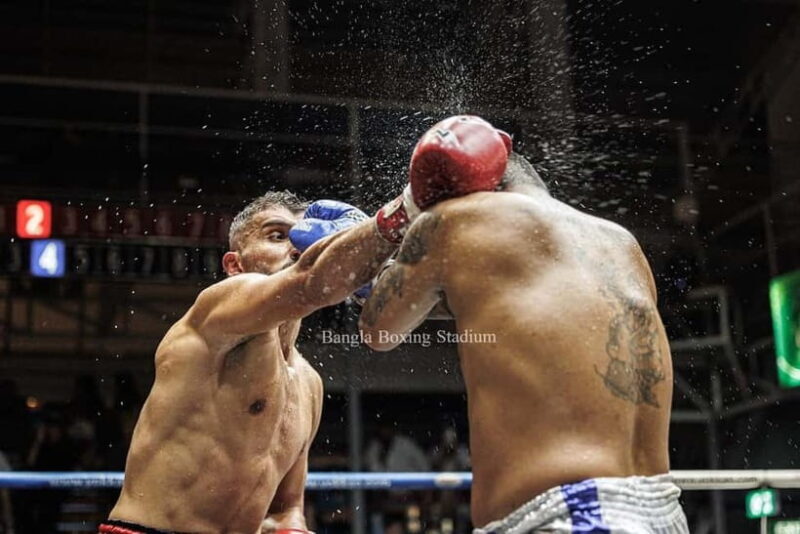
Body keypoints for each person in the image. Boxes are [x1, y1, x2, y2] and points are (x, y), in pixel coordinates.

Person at [103, 115, 513, 534]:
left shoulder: (309, 383)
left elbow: (286, 510)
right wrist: (409, 205)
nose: (297, 247)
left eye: (306, 238)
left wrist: (292, 527)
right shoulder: (218, 312)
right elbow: (311, 284)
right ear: (234, 264)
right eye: (278, 235)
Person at [359, 152, 689, 533]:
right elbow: (472, 301)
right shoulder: (622, 243)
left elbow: (377, 329)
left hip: (574, 515)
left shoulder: (455, 219)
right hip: (659, 512)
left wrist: (382, 240)